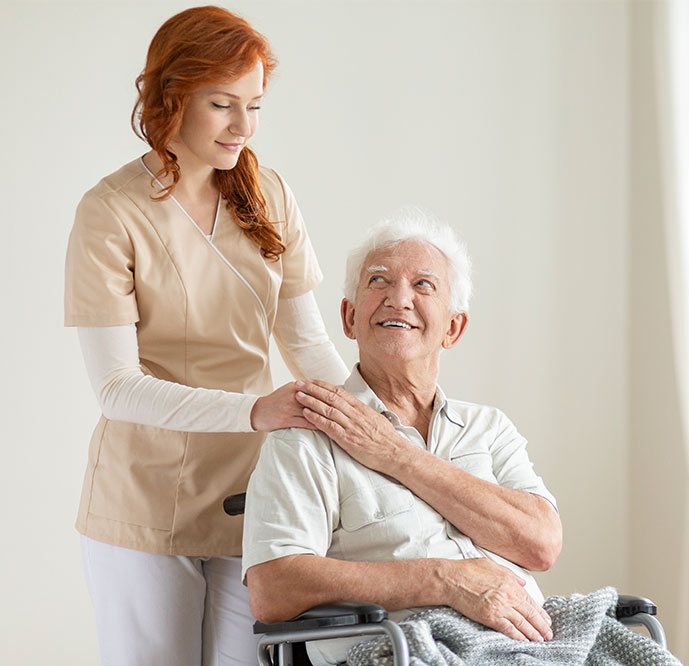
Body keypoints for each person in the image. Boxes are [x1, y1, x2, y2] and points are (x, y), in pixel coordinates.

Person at [63, 7, 350, 665]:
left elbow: (308, 346)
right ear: (172, 98)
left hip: (253, 498)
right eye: (223, 105)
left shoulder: (269, 195)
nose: (244, 128)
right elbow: (116, 388)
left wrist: (382, 425)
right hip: (143, 501)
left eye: (254, 106)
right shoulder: (110, 213)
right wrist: (257, 409)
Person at [242, 210, 564, 665]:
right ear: (349, 318)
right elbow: (273, 587)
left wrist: (397, 456)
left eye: (423, 285)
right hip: (398, 651)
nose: (398, 299)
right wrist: (443, 580)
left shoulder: (490, 429)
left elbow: (541, 544)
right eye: (378, 281)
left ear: (453, 327)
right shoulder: (308, 433)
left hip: (527, 646)